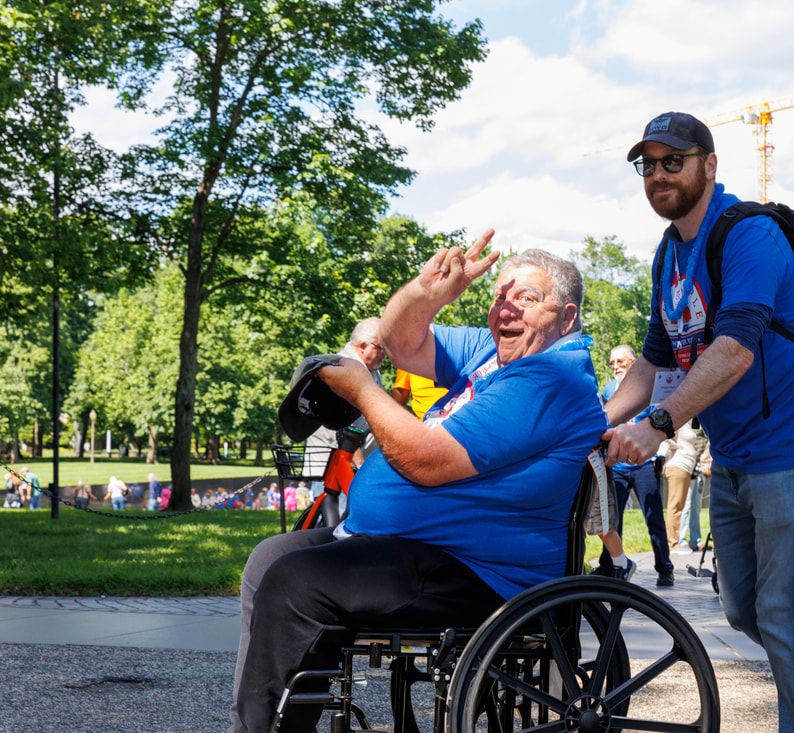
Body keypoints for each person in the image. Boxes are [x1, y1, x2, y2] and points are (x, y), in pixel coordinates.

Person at [603, 111, 794, 732]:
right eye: (648, 164)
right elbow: (656, 358)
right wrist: (595, 421)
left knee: (788, 614)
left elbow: (735, 349)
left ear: (709, 165)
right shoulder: (669, 253)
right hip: (736, 451)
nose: (658, 175)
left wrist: (657, 425)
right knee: (745, 609)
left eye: (673, 161)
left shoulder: (748, 234)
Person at [229, 239, 607, 733]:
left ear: (567, 317)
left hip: (480, 572)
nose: (506, 308)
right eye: (499, 296)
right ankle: (260, 724)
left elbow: (427, 463)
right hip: (413, 546)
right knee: (270, 558)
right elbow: (401, 342)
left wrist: (363, 389)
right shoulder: (491, 352)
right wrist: (425, 294)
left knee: (297, 581)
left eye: (526, 298)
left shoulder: (551, 378)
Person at [597, 344, 675, 587]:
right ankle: (610, 566)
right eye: (612, 362)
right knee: (613, 519)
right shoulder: (608, 389)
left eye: (620, 361)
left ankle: (665, 568)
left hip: (643, 464)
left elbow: (657, 418)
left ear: (632, 363)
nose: (615, 366)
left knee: (654, 517)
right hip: (618, 466)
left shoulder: (646, 388)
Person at [303, 317, 385, 499]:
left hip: (356, 466)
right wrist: (358, 461)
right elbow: (339, 423)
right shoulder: (340, 368)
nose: (385, 353)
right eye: (381, 348)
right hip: (336, 467)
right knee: (335, 513)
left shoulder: (371, 371)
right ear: (363, 345)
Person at [663, 422, 705, 553]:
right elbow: (664, 436)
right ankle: (673, 543)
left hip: (687, 467)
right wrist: (675, 446)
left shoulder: (690, 422)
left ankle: (675, 542)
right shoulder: (678, 420)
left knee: (680, 506)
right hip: (678, 464)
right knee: (676, 506)